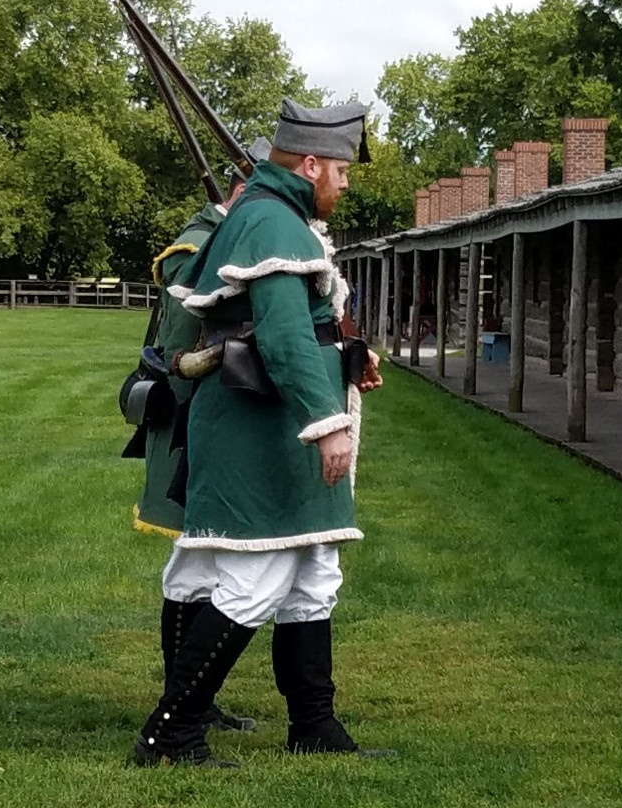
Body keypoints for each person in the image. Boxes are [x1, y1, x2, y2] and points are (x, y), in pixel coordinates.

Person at [133, 98, 386, 768]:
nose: (343, 185)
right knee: (255, 578)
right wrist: (328, 424)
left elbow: (300, 328)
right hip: (264, 429)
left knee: (308, 572)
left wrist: (350, 362)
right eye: (340, 173)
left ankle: (313, 724)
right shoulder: (275, 223)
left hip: (265, 423)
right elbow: (278, 334)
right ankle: (170, 735)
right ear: (310, 164)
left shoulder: (268, 216)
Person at [133, 137, 272, 733]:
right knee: (195, 562)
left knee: (205, 563)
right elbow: (190, 305)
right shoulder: (202, 237)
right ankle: (180, 704)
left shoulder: (232, 232)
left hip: (214, 412)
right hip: (192, 413)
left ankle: (190, 700)